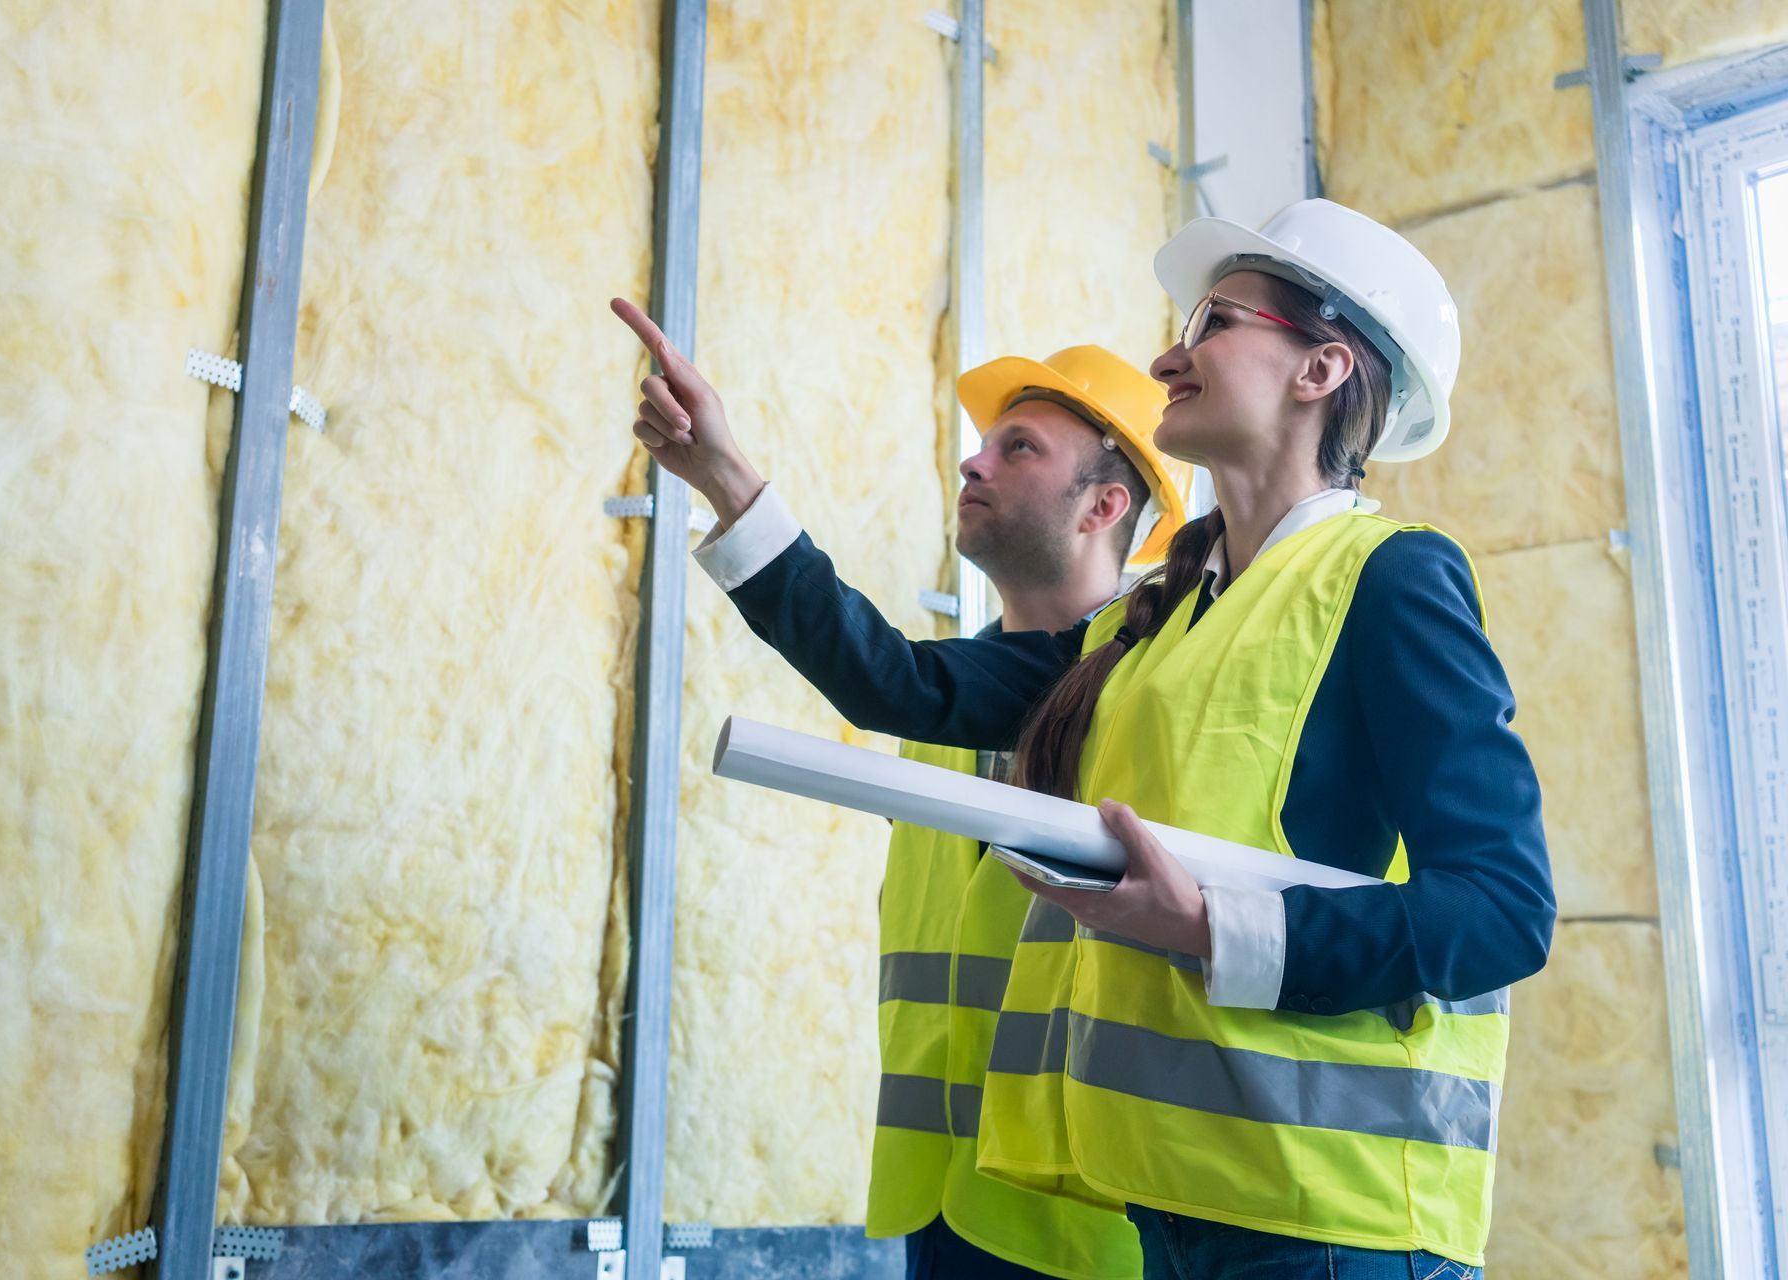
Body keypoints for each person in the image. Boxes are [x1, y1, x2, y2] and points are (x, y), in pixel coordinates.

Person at [610, 196, 1554, 1279]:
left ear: (1321, 368)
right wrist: (727, 479)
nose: (1168, 355)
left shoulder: (1386, 579)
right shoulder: (1139, 623)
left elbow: (1500, 911)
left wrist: (1212, 929)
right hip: (1172, 1204)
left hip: (1335, 1226)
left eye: (1213, 323)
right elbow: (899, 682)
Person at [872, 346, 1185, 1280]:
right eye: (983, 446)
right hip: (940, 1192)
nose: (974, 463)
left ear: (1103, 506)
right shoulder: (941, 698)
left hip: (1077, 1210)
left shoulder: (1148, 695)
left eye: (1019, 448)